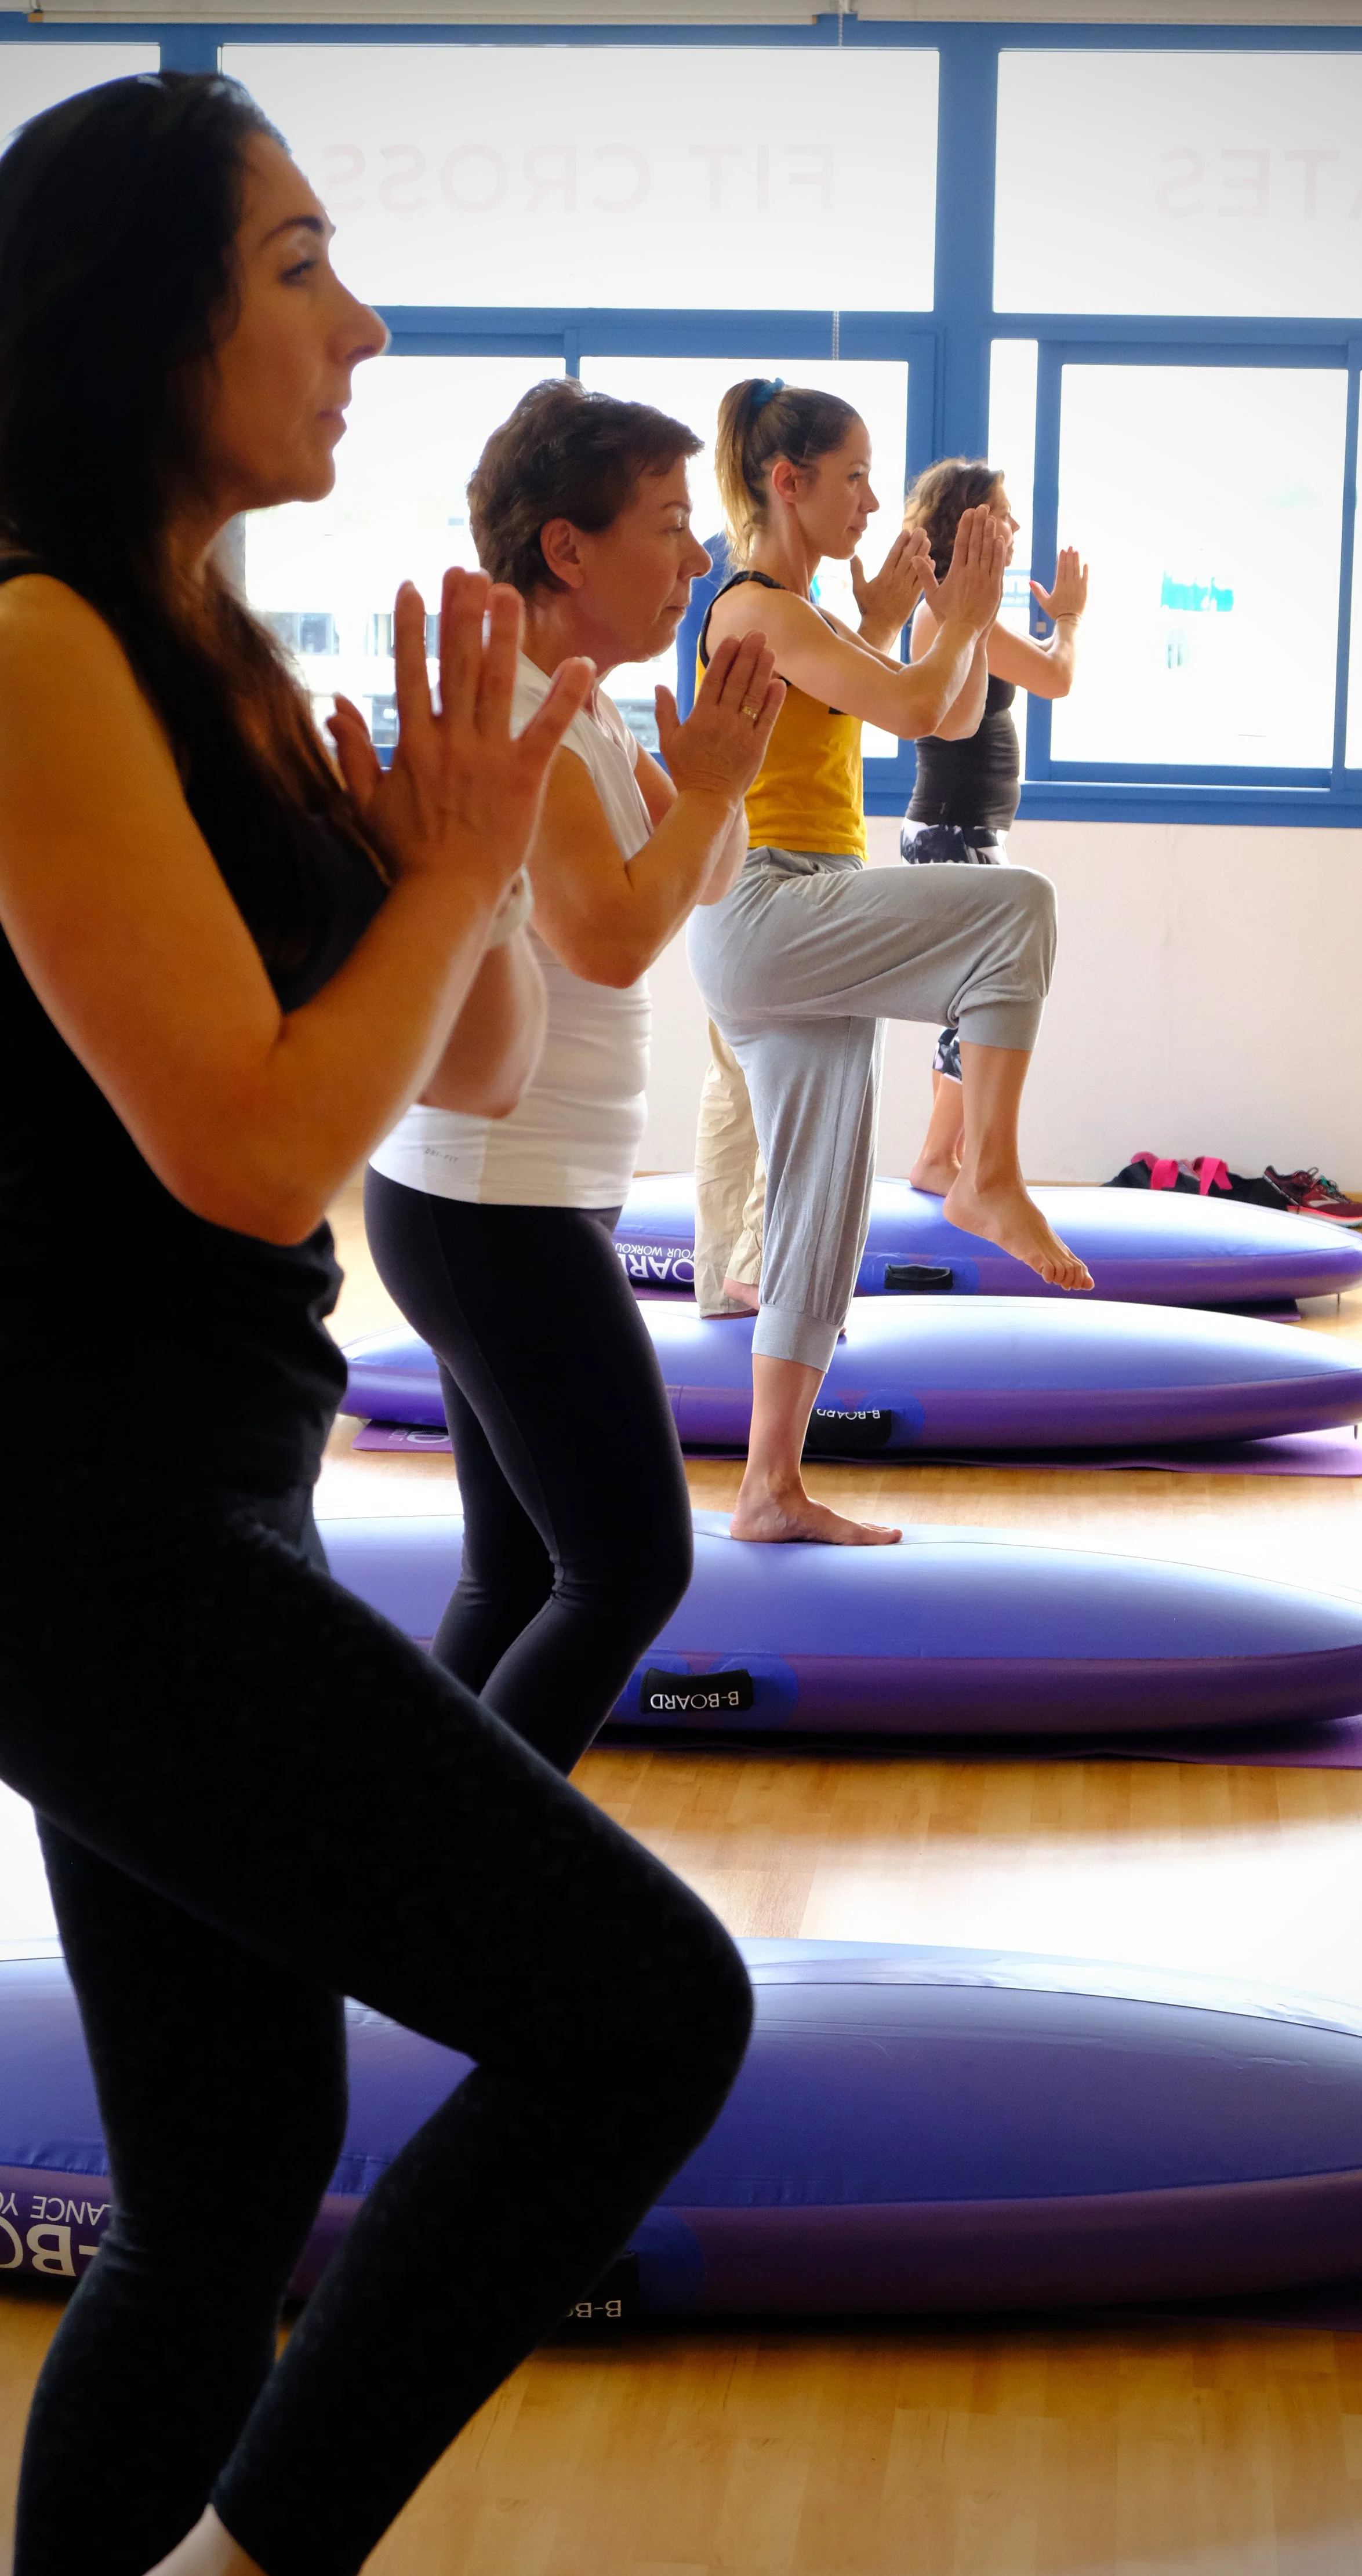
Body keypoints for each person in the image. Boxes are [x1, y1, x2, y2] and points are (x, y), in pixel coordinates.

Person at [0, 72, 751, 2576]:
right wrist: (440, 865)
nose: (367, 320)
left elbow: (474, 1052)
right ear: (137, 313)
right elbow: (240, 1145)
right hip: (78, 1521)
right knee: (648, 2012)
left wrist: (454, 830)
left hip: (203, 1485)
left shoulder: (201, 640)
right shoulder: (28, 636)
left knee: (227, 2179)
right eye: (303, 262)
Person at [361, 377, 783, 1774]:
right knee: (624, 1569)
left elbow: (695, 888)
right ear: (566, 549)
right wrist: (711, 790)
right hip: (492, 1201)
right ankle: (475, 1889)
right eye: (667, 525)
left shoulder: (584, 704)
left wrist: (714, 779)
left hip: (513, 1193)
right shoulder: (524, 713)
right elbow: (608, 939)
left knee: (521, 1571)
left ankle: (403, 1863)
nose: (694, 560)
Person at [686, 377, 1092, 1549]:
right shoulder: (759, 606)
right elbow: (919, 705)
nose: (874, 498)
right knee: (1016, 908)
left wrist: (916, 613)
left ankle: (768, 1487)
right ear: (787, 481)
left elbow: (935, 711)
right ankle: (985, 1176)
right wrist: (955, 614)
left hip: (788, 916)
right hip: (769, 900)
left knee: (819, 1218)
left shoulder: (799, 609)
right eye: (853, 476)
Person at [899, 456, 1088, 1194]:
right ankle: (941, 1160)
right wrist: (1068, 619)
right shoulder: (950, 612)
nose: (1014, 525)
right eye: (1001, 511)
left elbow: (1041, 670)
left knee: (977, 996)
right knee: (983, 997)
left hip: (959, 829)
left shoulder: (961, 611)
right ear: (965, 523)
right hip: (953, 830)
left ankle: (946, 1158)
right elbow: (1056, 676)